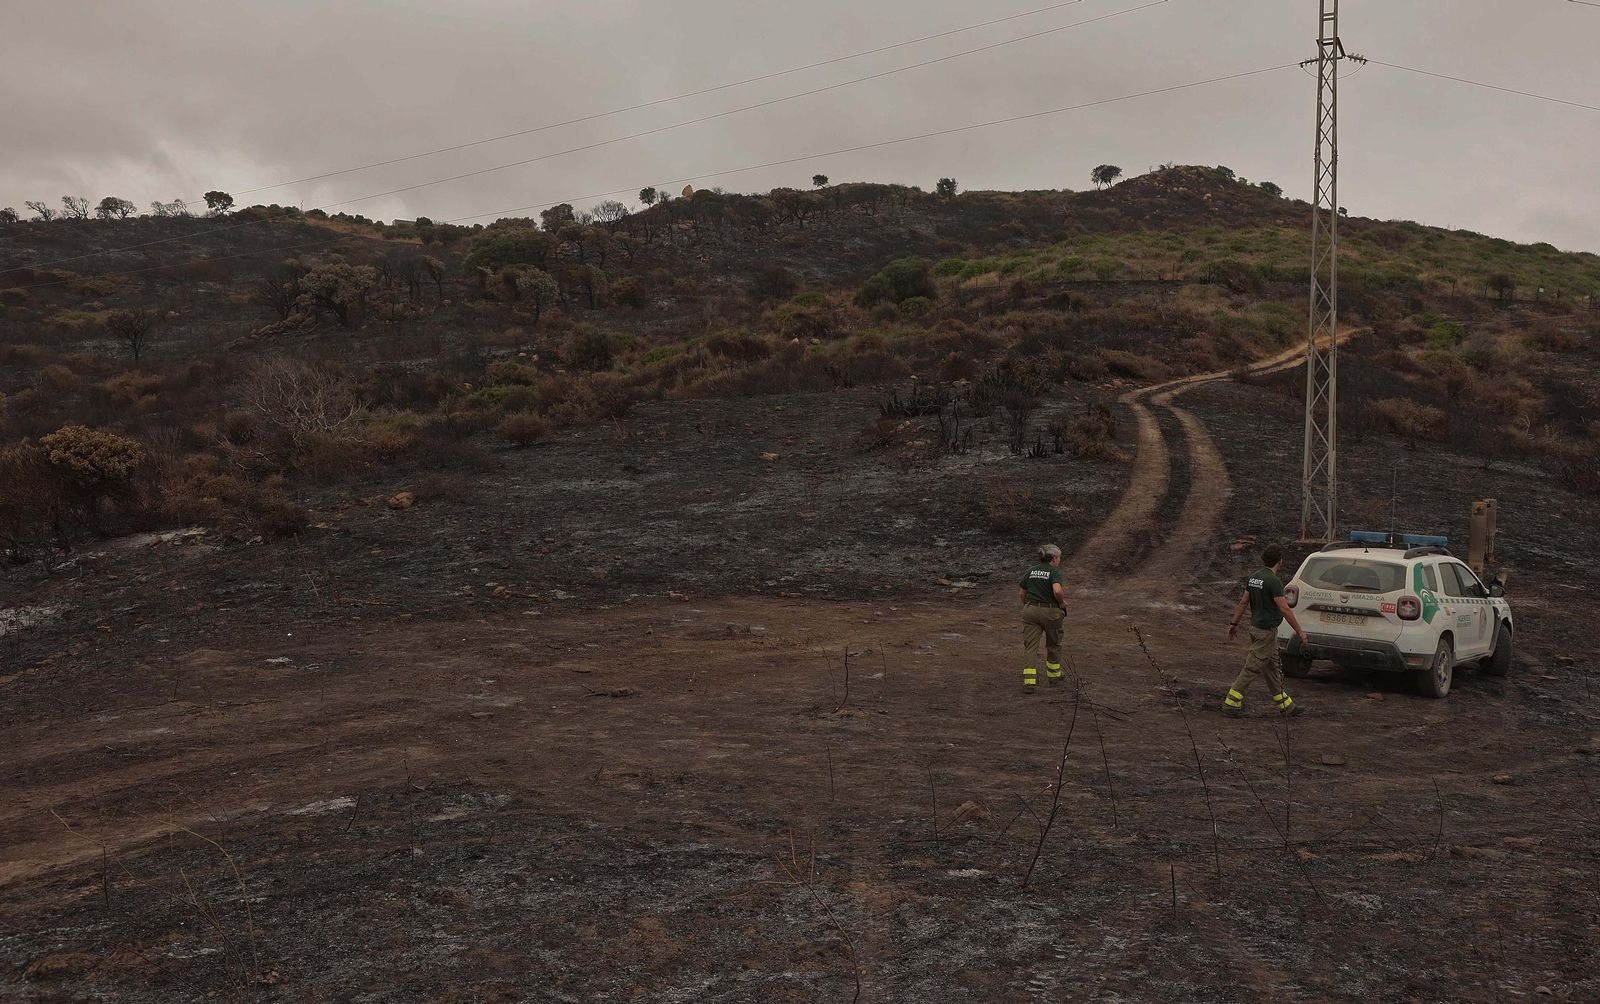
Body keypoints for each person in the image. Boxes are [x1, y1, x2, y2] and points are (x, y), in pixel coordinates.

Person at [1225, 543, 1309, 716]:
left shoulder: (1254, 577)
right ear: (1280, 562)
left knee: (1272, 669)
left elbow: (1243, 602)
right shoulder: (1273, 581)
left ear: (1263, 559)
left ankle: (1286, 706)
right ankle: (1231, 702)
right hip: (1266, 633)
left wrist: (1234, 624)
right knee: (1252, 667)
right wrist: (1300, 631)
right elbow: (1285, 609)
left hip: (1256, 628)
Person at [1019, 544, 1070, 693]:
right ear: (1054, 558)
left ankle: (1029, 682)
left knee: (1030, 647)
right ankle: (1054, 676)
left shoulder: (1030, 571)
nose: (1059, 560)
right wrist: (1061, 602)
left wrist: (1028, 606)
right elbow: (1057, 590)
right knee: (1053, 644)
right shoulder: (1054, 572)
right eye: (1059, 557)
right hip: (1051, 612)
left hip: (1030, 611)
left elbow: (1022, 593)